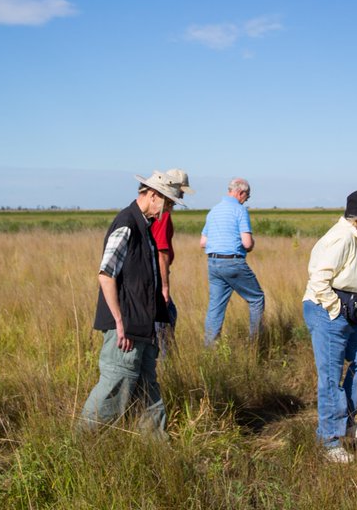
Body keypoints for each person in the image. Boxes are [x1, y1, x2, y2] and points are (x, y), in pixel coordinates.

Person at [78, 170, 185, 436]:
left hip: (142, 325)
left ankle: (157, 448)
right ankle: (81, 444)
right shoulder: (127, 223)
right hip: (126, 327)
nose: (169, 209)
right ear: (151, 195)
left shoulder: (145, 227)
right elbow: (106, 274)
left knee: (149, 388)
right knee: (115, 386)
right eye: (168, 202)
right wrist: (119, 321)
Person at [302, 189, 357, 463]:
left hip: (344, 312)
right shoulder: (341, 238)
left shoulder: (353, 237)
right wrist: (335, 308)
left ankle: (344, 421)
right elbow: (318, 279)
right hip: (328, 310)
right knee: (330, 378)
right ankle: (329, 442)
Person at [200, 177, 264, 344]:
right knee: (257, 298)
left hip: (213, 263)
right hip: (233, 262)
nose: (246, 200)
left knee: (215, 307)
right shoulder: (240, 210)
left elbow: (203, 242)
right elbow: (247, 243)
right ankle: (255, 344)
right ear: (240, 192)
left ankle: (209, 350)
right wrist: (251, 244)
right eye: (247, 196)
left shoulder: (213, 210)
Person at [151, 168, 193, 356]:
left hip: (154, 277)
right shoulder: (163, 214)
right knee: (165, 323)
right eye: (181, 189)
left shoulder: (157, 212)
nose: (183, 193)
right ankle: (165, 369)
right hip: (157, 280)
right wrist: (164, 286)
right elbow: (162, 250)